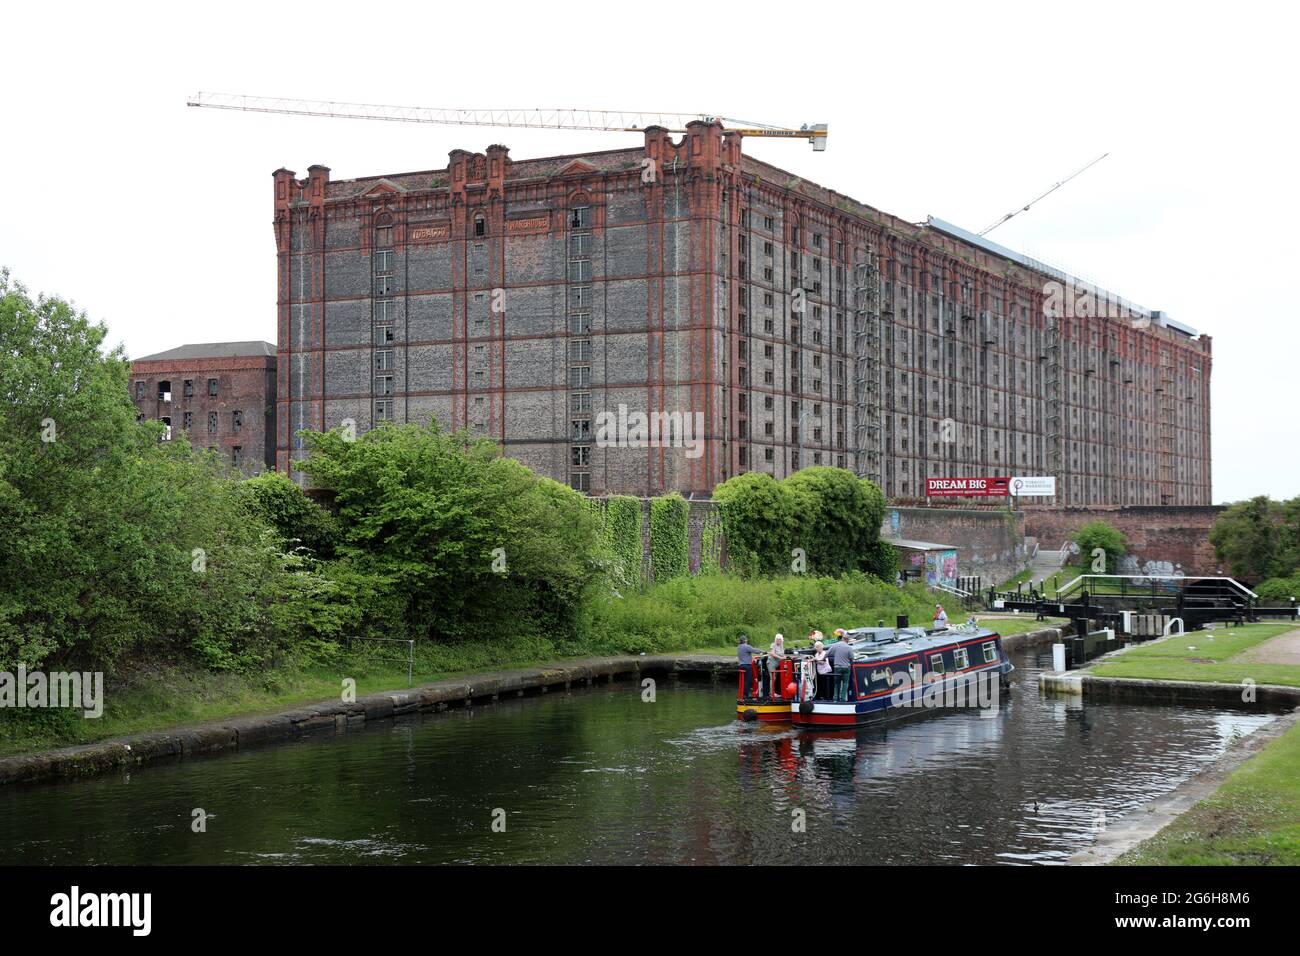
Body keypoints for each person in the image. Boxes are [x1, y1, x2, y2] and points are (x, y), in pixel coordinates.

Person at [829, 637, 855, 702]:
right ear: (847, 640)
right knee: (845, 683)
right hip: (846, 667)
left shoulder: (835, 645)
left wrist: (822, 658)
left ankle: (835, 699)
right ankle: (843, 698)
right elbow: (852, 658)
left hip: (837, 667)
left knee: (837, 683)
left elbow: (828, 653)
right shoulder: (849, 647)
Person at [736, 635, 760, 699]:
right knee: (748, 681)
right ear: (745, 640)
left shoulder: (738, 647)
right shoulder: (747, 646)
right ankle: (746, 696)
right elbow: (755, 651)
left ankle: (742, 694)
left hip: (741, 666)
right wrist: (764, 652)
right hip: (747, 666)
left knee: (743, 681)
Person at [766, 633, 786, 698]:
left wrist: (784, 657)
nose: (778, 640)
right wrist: (781, 658)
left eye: (780, 639)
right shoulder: (773, 645)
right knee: (773, 678)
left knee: (776, 678)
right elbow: (773, 654)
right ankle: (771, 693)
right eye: (777, 639)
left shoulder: (781, 645)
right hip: (771, 663)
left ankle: (775, 692)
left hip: (777, 664)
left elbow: (782, 654)